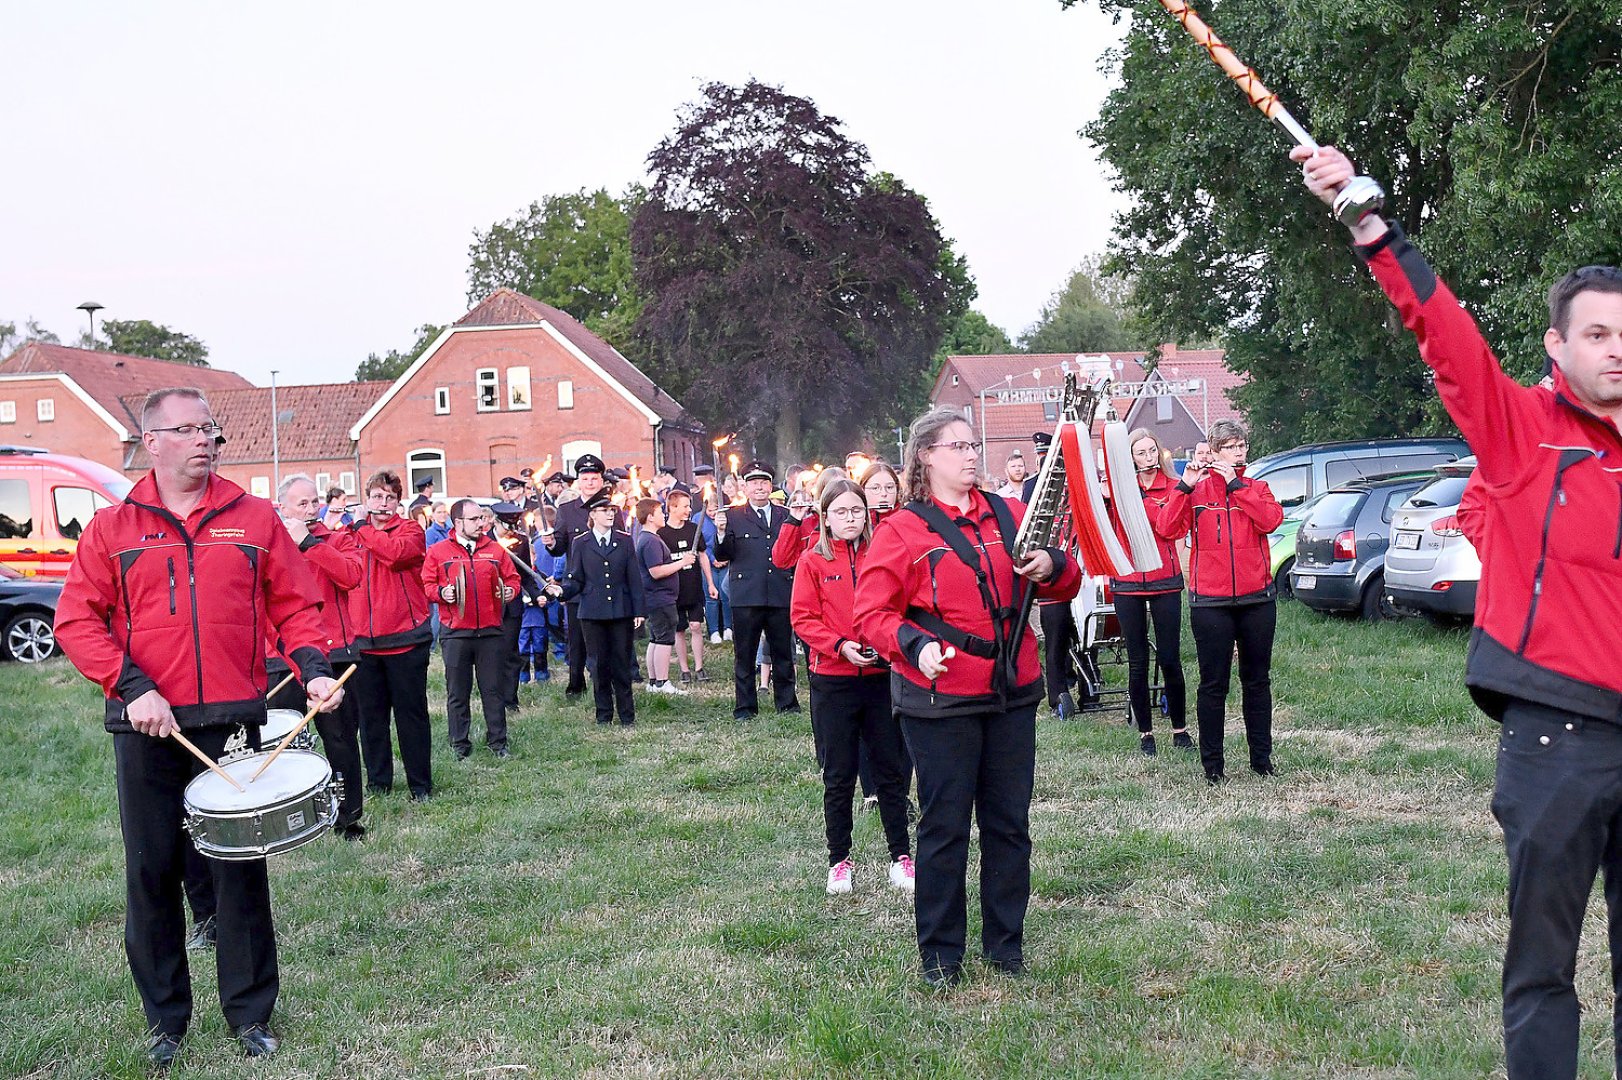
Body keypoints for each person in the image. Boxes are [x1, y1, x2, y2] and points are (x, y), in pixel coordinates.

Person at [1299, 143, 1622, 1080]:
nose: (1616, 349)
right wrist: (1369, 221)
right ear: (1559, 348)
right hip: (1558, 734)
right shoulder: (1523, 431)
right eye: (1597, 333)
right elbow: (1445, 334)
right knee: (1543, 968)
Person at [55, 387, 344, 1065]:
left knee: (238, 872)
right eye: (188, 431)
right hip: (149, 728)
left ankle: (250, 1014)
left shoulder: (254, 518)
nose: (205, 441)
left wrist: (315, 669)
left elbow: (296, 604)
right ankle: (165, 1022)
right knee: (151, 871)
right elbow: (76, 621)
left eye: (209, 430)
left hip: (232, 721)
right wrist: (132, 689)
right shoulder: (113, 528)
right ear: (151, 441)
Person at [854, 407, 1081, 986]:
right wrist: (912, 643)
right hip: (940, 698)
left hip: (1011, 689)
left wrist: (1051, 564)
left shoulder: (1009, 513)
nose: (971, 454)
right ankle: (940, 955)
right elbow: (872, 613)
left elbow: (1066, 578)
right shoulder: (902, 530)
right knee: (945, 826)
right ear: (926, 455)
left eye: (974, 444)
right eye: (957, 446)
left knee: (1008, 824)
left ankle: (1005, 946)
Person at [790, 478, 914, 895]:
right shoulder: (813, 561)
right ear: (825, 517)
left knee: (891, 772)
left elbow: (898, 605)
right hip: (833, 681)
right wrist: (839, 646)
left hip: (881, 679)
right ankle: (839, 859)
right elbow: (804, 618)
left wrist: (886, 647)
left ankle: (901, 854)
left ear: (866, 515)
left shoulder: (883, 556)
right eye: (840, 512)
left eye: (856, 511)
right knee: (838, 775)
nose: (849, 519)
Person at [1158, 419, 1283, 784]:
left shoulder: (1256, 486)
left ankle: (1261, 761)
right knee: (1213, 684)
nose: (1238, 452)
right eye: (1230, 447)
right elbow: (1167, 529)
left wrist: (1236, 486)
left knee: (1257, 681)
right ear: (1213, 452)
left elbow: (1270, 520)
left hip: (1257, 597)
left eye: (1241, 446)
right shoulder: (1196, 490)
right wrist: (1184, 486)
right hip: (1210, 601)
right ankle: (1213, 768)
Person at [270, 474, 368, 838]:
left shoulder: (336, 538)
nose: (311, 510)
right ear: (284, 508)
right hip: (282, 655)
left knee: (341, 738)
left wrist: (310, 543)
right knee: (285, 740)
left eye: (315, 502)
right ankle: (286, 818)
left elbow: (351, 576)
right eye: (302, 504)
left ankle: (348, 816)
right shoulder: (268, 543)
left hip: (334, 652)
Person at [348, 470, 435, 801]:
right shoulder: (353, 534)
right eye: (376, 497)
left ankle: (420, 785)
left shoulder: (411, 531)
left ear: (398, 502)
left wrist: (362, 528)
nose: (382, 503)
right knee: (371, 720)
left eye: (389, 498)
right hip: (365, 644)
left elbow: (394, 555)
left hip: (405, 640)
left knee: (411, 716)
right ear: (367, 499)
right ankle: (379, 783)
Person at [1109, 429, 1191, 755]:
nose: (1148, 457)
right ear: (1130, 457)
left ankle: (1180, 730)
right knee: (1137, 661)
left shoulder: (1174, 487)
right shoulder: (1116, 491)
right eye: (1141, 453)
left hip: (1165, 579)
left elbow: (1174, 528)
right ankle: (1145, 734)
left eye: (1152, 451)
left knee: (1171, 659)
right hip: (1127, 581)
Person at [424, 499, 520, 759]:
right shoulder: (438, 551)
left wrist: (510, 590)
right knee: (457, 692)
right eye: (475, 519)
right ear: (458, 523)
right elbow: (427, 585)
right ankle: (460, 744)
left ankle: (498, 742)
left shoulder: (496, 550)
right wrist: (442, 593)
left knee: (493, 690)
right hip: (456, 633)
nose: (482, 523)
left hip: (490, 631)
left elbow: (513, 579)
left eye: (482, 518)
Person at [713, 460, 801, 720]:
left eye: (763, 482)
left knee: (783, 652)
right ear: (745, 487)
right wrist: (720, 533)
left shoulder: (786, 514)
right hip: (746, 594)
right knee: (745, 654)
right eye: (753, 483)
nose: (759, 487)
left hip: (778, 591)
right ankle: (745, 707)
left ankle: (786, 703)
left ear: (771, 485)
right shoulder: (732, 516)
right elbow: (723, 554)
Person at [552, 491, 645, 725]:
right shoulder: (581, 543)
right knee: (598, 664)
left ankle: (627, 715)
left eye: (612, 510)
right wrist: (562, 591)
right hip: (592, 613)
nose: (610, 514)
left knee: (621, 663)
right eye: (605, 511)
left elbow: (633, 577)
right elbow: (576, 579)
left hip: (620, 610)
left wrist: (639, 610)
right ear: (593, 514)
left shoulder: (624, 540)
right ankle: (603, 714)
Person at [540, 454, 615, 698]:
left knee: (603, 636)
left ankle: (602, 679)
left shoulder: (610, 508)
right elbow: (561, 547)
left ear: (601, 480)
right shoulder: (567, 510)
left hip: (604, 583)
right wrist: (551, 543)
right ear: (579, 482)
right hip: (576, 585)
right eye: (585, 478)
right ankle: (575, 682)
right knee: (575, 636)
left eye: (595, 478)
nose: (590, 483)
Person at [633, 498, 691, 694]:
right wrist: (682, 562)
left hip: (656, 598)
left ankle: (653, 682)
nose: (663, 515)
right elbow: (656, 571)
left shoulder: (649, 538)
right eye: (659, 512)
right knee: (665, 639)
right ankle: (662, 682)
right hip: (660, 598)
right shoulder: (650, 541)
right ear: (650, 517)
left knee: (656, 638)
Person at [657, 488, 714, 683]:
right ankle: (684, 668)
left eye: (689, 506)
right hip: (674, 589)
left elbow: (704, 555)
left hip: (693, 586)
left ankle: (699, 666)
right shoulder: (662, 533)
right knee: (679, 628)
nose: (689, 510)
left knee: (696, 626)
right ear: (672, 508)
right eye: (684, 506)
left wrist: (710, 582)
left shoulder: (692, 529)